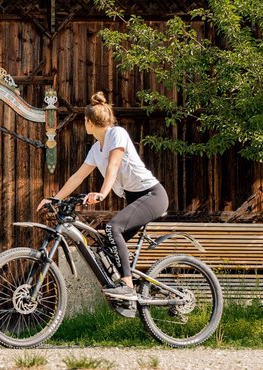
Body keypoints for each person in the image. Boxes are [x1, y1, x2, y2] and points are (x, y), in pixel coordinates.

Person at [36, 91, 169, 301]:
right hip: (136, 199)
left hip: (153, 195)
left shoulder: (116, 134)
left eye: (84, 122)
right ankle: (130, 292)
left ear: (89, 122)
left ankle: (127, 285)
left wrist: (102, 193)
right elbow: (77, 177)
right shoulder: (96, 149)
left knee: (112, 227)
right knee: (107, 245)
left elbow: (114, 165)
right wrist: (54, 199)